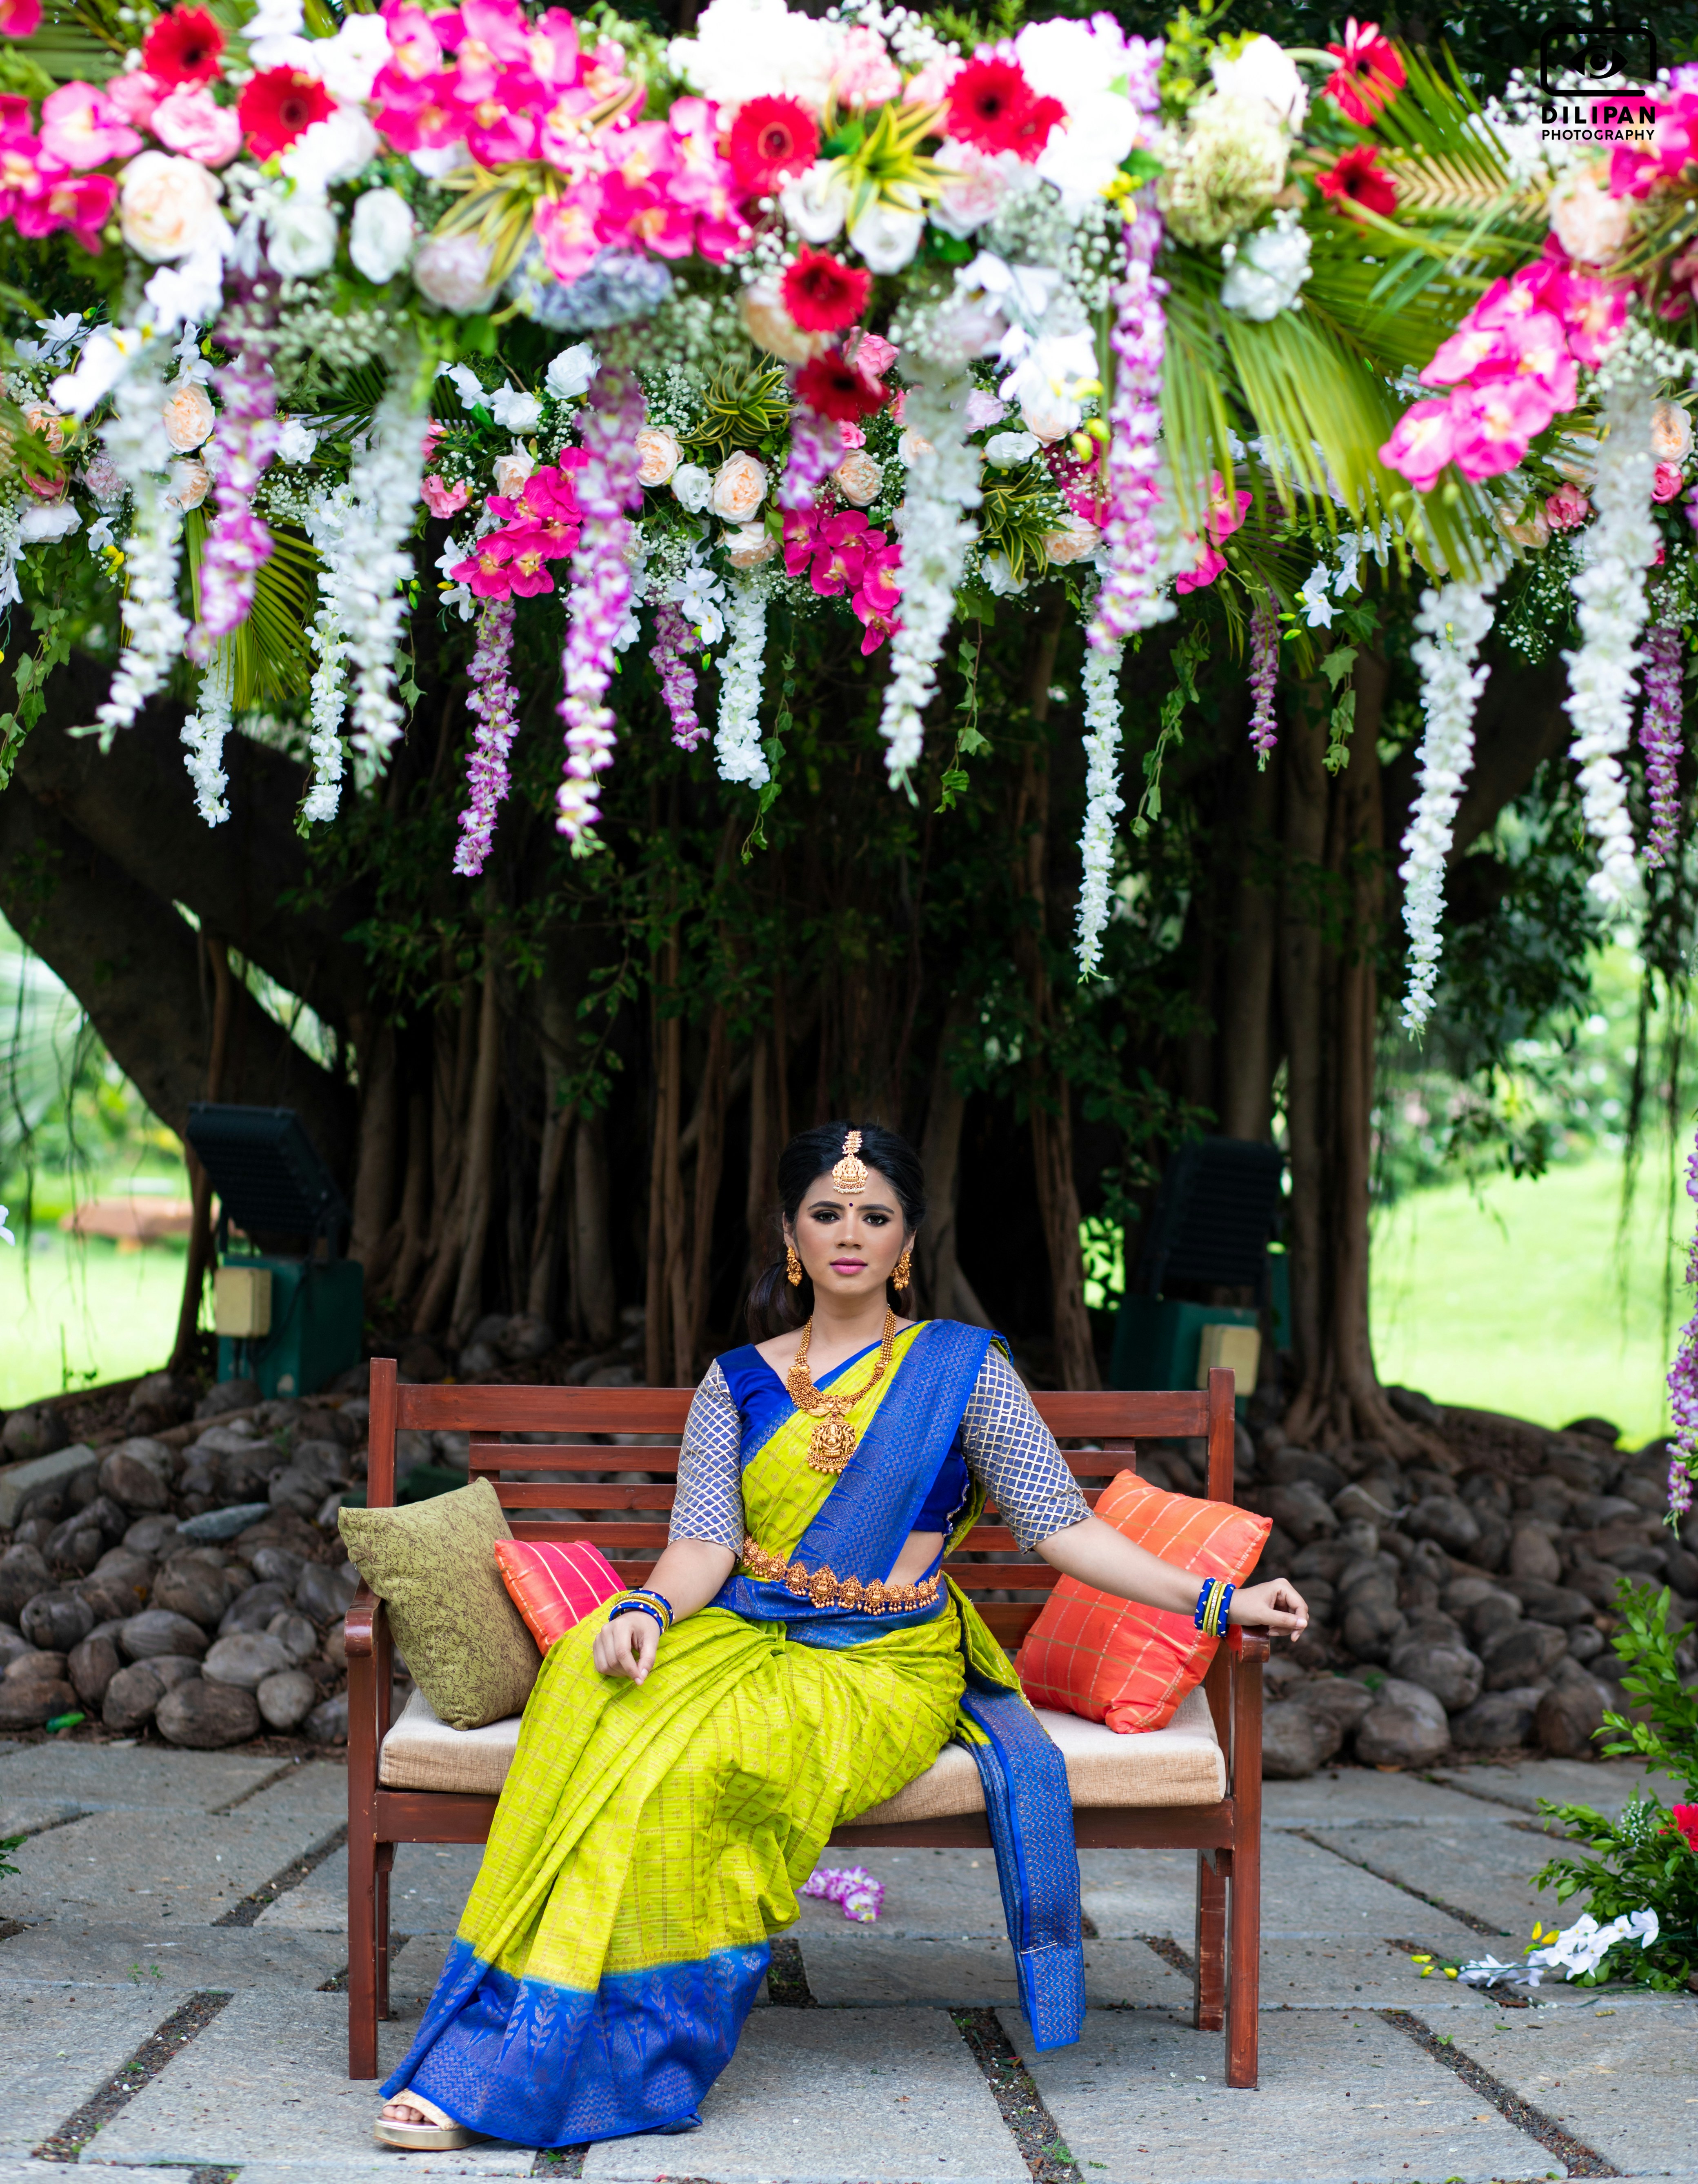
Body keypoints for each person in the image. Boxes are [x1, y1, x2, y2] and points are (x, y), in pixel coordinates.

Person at [375, 1121, 1307, 2152]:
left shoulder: (962, 1369)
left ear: (907, 1238)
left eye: (875, 1215)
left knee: (699, 1768)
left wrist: (1218, 1599)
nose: (849, 1233)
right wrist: (643, 1608)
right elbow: (701, 1547)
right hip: (744, 1631)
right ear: (792, 1232)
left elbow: (1059, 1523)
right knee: (593, 1704)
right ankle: (507, 2039)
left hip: (885, 1664)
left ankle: (626, 2054)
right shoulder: (735, 1380)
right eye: (827, 1213)